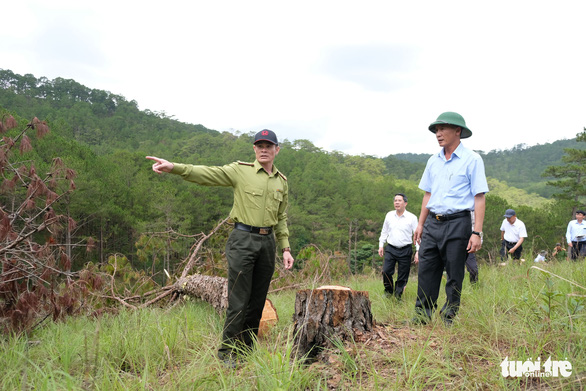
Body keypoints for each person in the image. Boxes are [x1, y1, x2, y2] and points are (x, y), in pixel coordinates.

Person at [146, 129, 294, 365]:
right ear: (254, 149)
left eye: (269, 146)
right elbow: (207, 173)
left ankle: (246, 352)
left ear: (277, 149)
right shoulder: (240, 171)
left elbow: (282, 217)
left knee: (257, 301)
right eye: (260, 146)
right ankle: (227, 353)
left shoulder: (281, 182)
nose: (264, 149)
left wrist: (285, 248)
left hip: (268, 243)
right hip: (242, 240)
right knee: (239, 299)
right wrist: (174, 166)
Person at [412, 111, 488, 326]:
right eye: (436, 130)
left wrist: (476, 232)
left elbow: (479, 197)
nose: (438, 133)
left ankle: (448, 317)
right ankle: (421, 317)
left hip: (458, 223)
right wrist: (420, 223)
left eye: (443, 129)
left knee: (455, 273)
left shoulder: (472, 160)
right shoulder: (432, 161)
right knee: (426, 269)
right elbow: (428, 194)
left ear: (458, 131)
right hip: (432, 223)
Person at [378, 193, 419, 300]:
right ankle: (388, 291)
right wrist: (381, 245)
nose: (397, 202)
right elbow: (384, 231)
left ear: (405, 203)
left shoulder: (412, 218)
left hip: (406, 249)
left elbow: (417, 235)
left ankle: (398, 295)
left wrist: (418, 251)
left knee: (403, 275)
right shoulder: (389, 215)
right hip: (391, 248)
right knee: (386, 271)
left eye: (399, 200)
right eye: (395, 200)